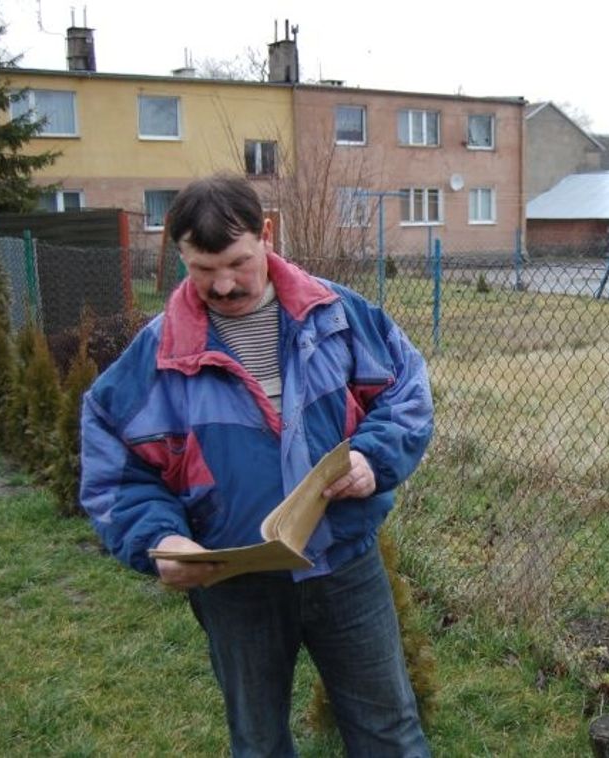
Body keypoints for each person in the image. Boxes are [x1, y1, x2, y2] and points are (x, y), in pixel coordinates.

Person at [79, 174, 434, 757]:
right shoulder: (158, 353)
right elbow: (114, 464)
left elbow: (407, 394)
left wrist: (374, 457)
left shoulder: (338, 315)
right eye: (201, 268)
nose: (222, 284)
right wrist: (162, 538)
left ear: (266, 235)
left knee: (389, 733)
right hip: (232, 582)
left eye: (238, 263)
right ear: (181, 257)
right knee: (258, 741)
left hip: (344, 564)